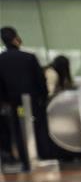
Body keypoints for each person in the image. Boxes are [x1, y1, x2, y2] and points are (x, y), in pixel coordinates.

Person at [0, 26, 50, 168]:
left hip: (15, 103)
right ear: (16, 38)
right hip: (33, 101)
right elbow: (41, 80)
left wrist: (5, 100)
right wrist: (43, 97)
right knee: (37, 127)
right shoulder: (29, 57)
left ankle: (25, 158)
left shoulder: (1, 60)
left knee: (19, 129)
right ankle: (41, 154)